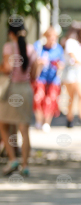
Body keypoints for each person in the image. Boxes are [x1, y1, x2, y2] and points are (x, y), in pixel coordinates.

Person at [0, 24, 37, 176]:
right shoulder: (31, 49)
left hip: (12, 90)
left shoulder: (9, 47)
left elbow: (7, 68)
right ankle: (25, 165)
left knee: (3, 125)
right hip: (26, 89)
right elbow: (34, 75)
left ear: (11, 33)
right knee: (24, 129)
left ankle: (12, 158)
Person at [33, 27, 65, 133]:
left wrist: (59, 65)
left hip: (53, 79)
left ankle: (47, 123)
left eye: (54, 38)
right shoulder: (39, 47)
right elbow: (33, 61)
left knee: (51, 99)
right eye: (51, 37)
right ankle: (39, 121)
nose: (53, 40)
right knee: (38, 98)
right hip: (40, 78)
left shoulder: (58, 49)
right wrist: (39, 62)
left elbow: (62, 64)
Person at [62, 23, 81, 128]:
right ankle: (70, 118)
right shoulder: (70, 42)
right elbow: (73, 57)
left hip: (80, 71)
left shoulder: (80, 43)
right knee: (71, 96)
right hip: (71, 72)